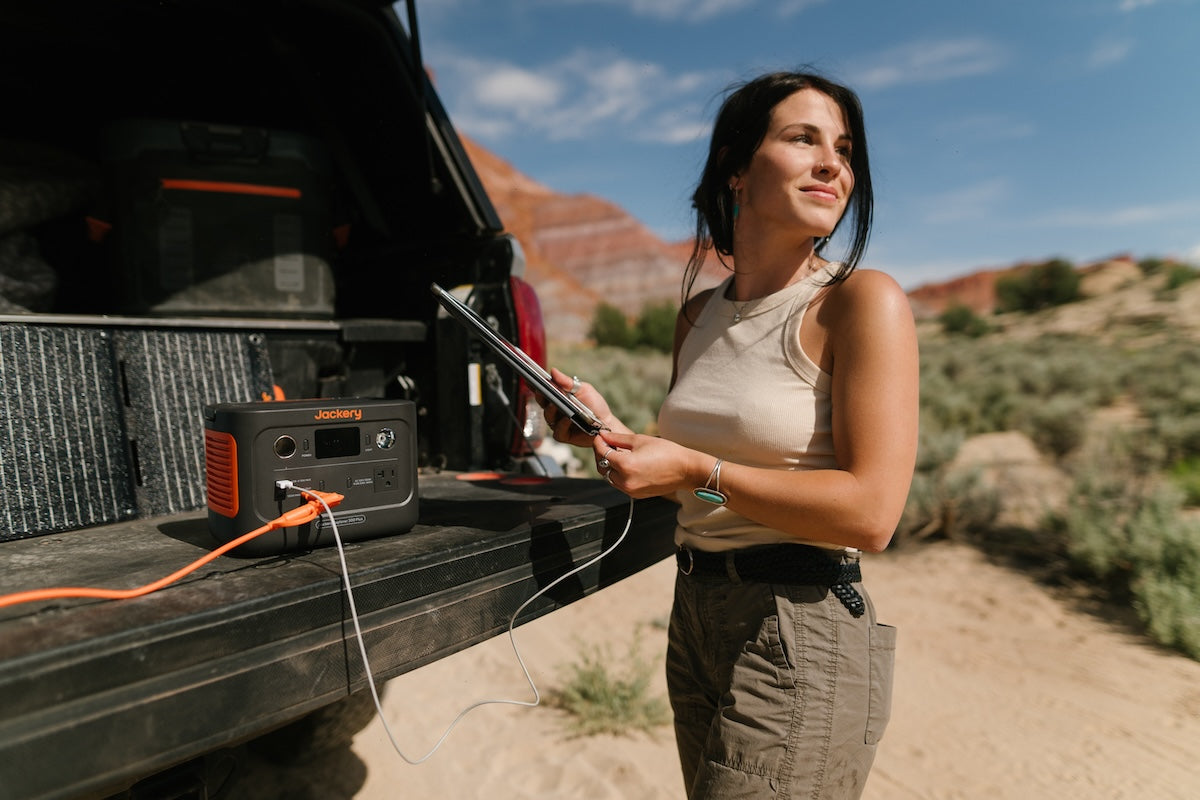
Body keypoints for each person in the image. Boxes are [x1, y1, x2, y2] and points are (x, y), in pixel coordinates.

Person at [542, 70, 918, 799]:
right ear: (736, 170)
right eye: (802, 138)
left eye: (842, 148)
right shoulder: (697, 318)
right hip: (696, 616)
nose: (833, 163)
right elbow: (687, 473)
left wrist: (693, 468)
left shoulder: (860, 302)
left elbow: (873, 514)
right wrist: (610, 432)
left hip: (800, 626)